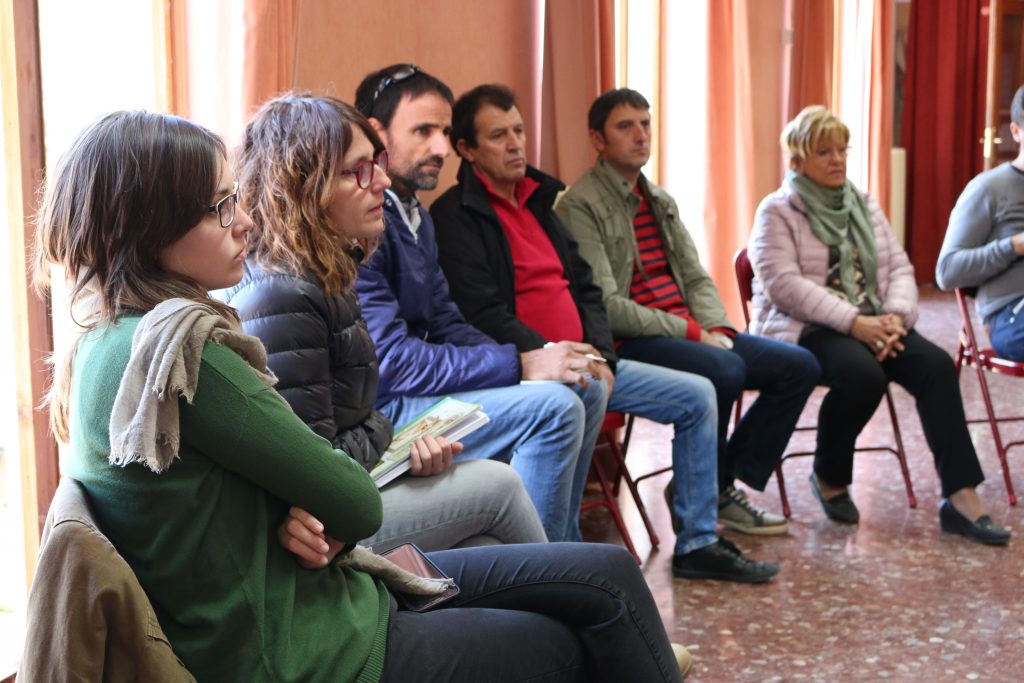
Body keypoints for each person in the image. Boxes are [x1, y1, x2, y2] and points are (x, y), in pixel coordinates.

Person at [35, 109, 692, 682]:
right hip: (309, 647)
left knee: (601, 577)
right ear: (147, 228)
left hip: (305, 599)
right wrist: (308, 503)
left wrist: (300, 506)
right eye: (217, 208)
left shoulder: (103, 341)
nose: (239, 222)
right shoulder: (188, 351)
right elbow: (351, 497)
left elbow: (287, 477)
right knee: (574, 632)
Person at [430, 83, 781, 583]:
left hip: (590, 360)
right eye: (498, 136)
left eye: (519, 131)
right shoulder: (454, 218)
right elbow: (481, 312)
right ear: (466, 149)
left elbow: (588, 288)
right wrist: (553, 354)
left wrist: (601, 353)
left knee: (699, 394)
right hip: (529, 368)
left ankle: (699, 541)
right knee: (582, 390)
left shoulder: (539, 201)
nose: (515, 145)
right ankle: (562, 560)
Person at [214, 94, 547, 552]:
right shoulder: (282, 295)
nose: (383, 182)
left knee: (488, 541)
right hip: (317, 538)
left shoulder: (324, 268)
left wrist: (401, 450)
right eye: (360, 170)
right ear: (303, 185)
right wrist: (389, 433)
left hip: (355, 490)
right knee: (500, 486)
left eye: (379, 163)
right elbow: (313, 475)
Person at [353, 65, 608, 544]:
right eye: (423, 131)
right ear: (376, 132)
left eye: (446, 132)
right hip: (387, 413)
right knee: (553, 409)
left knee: (583, 384)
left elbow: (448, 320)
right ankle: (545, 579)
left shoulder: (414, 216)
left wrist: (540, 361)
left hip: (418, 393)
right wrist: (520, 364)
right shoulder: (365, 220)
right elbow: (392, 365)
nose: (442, 149)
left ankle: (565, 548)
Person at [556, 88, 820, 536]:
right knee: (725, 370)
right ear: (597, 140)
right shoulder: (578, 205)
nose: (641, 135)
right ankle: (709, 494)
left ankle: (712, 483)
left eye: (646, 123)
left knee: (798, 366)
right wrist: (694, 332)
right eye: (626, 126)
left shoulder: (657, 198)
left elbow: (696, 276)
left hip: (688, 329)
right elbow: (607, 306)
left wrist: (715, 323)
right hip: (634, 339)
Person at [748, 104, 1010, 545]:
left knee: (936, 366)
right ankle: (830, 476)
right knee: (862, 375)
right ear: (797, 160)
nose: (837, 160)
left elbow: (899, 268)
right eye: (824, 152)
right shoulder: (777, 210)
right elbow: (783, 286)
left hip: (875, 320)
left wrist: (894, 317)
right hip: (808, 327)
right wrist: (856, 323)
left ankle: (961, 497)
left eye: (842, 150)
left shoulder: (862, 203)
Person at [937, 84, 1024, 361]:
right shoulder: (988, 188)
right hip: (1010, 314)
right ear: (1016, 131)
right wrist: (1014, 246)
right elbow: (948, 271)